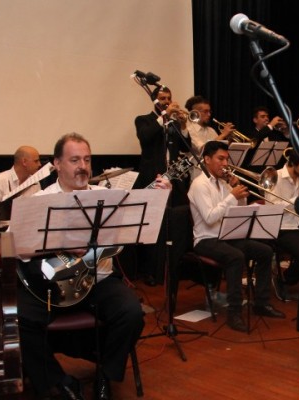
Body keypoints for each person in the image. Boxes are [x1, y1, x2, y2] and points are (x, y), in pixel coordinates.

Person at [17, 132, 170, 400]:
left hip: (99, 279)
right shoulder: (40, 199)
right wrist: (58, 243)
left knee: (132, 313)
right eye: (74, 160)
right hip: (53, 283)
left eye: (87, 159)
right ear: (56, 163)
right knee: (18, 320)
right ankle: (59, 380)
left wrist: (160, 198)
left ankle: (105, 376)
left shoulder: (108, 197)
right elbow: (20, 249)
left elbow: (137, 227)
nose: (83, 166)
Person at [188, 140, 285, 333]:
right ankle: (234, 312)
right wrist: (232, 195)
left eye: (227, 159)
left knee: (265, 251)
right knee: (236, 257)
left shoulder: (223, 184)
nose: (225, 164)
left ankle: (261, 303)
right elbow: (209, 218)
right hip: (206, 239)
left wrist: (239, 195)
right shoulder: (199, 184)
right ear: (207, 159)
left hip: (225, 236)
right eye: (220, 159)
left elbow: (237, 212)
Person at [134, 86, 192, 286]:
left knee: (176, 223)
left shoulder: (175, 123)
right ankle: (151, 271)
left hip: (174, 180)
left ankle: (174, 268)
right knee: (153, 227)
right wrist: (164, 116)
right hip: (152, 179)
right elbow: (146, 137)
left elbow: (186, 147)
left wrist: (183, 126)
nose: (166, 101)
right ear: (155, 101)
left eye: (169, 98)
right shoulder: (144, 120)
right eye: (162, 98)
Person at [266, 149, 299, 301]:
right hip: (282, 228)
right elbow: (271, 207)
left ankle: (292, 279)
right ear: (292, 163)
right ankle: (285, 280)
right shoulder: (275, 177)